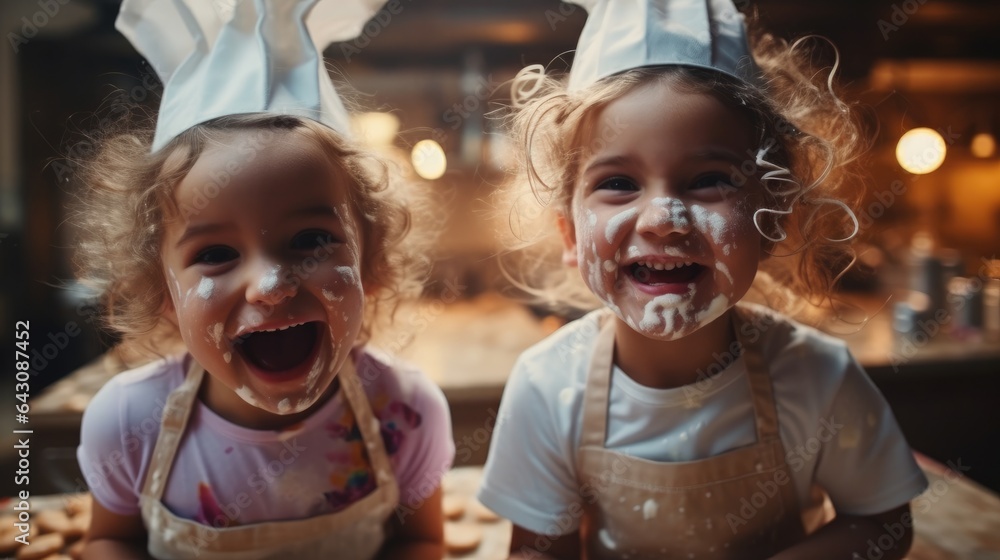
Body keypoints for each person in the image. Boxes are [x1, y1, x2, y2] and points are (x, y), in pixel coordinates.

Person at [478, 0, 927, 558]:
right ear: (570, 235)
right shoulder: (547, 387)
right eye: (618, 182)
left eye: (709, 179)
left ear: (772, 221)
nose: (663, 218)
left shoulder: (819, 379)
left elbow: (883, 522)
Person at [72, 1, 453, 559]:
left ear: (372, 266)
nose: (271, 285)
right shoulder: (128, 423)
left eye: (310, 241)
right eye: (218, 253)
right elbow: (108, 540)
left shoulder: (404, 409)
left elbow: (420, 540)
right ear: (165, 297)